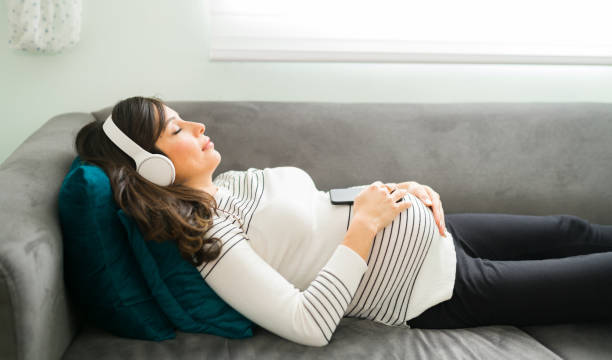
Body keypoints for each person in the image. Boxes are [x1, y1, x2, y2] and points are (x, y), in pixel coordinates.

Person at [75, 96, 612, 347]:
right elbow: (306, 324)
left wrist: (404, 191)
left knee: (573, 231)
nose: (198, 124)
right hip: (436, 289)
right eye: (177, 130)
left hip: (443, 232)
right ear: (152, 165)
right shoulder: (211, 239)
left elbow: (321, 207)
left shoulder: (231, 183)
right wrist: (364, 229)